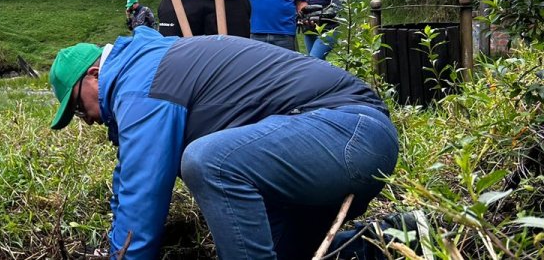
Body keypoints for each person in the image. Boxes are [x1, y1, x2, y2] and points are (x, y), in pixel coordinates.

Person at [49, 28, 398, 259]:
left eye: (80, 107)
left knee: (208, 160)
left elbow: (141, 204)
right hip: (329, 147)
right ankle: (402, 236)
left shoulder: (139, 84)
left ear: (95, 75)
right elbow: (127, 182)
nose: (89, 119)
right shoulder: (145, 67)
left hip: (349, 131)